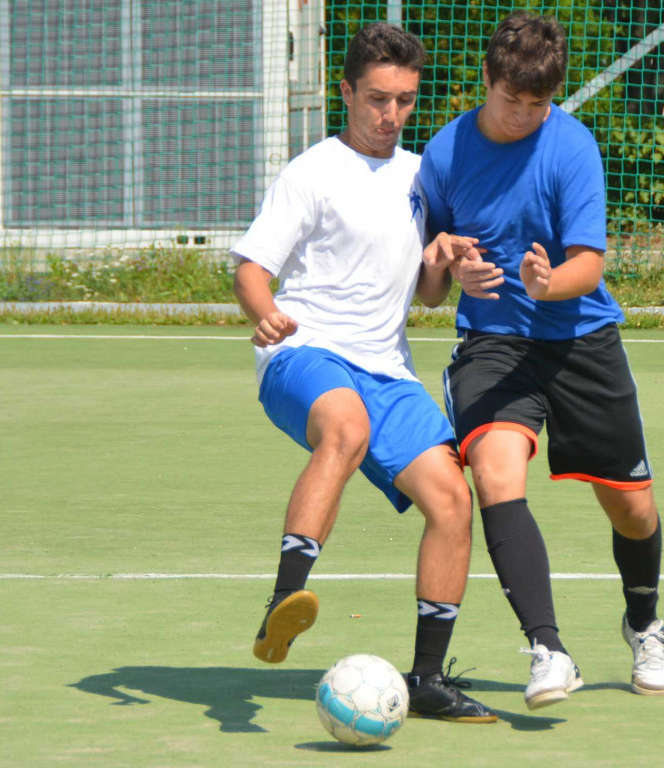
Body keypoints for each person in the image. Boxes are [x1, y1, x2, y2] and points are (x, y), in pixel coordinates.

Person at [230, 22, 495, 724]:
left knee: (451, 500)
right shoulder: (311, 171)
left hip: (389, 370)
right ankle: (284, 602)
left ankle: (430, 679)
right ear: (345, 92)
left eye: (406, 101)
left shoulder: (419, 177)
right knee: (343, 429)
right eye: (377, 98)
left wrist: (446, 264)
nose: (391, 115)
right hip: (304, 352)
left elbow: (428, 295)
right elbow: (253, 269)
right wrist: (264, 313)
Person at [418, 10, 664, 710]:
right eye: (512, 100)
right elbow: (428, 287)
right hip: (494, 346)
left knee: (633, 511)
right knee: (498, 476)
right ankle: (548, 650)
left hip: (581, 340)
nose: (526, 115)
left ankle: (644, 623)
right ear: (486, 81)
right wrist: (446, 268)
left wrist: (545, 282)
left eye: (539, 103)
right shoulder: (443, 153)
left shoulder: (571, 147)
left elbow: (588, 265)